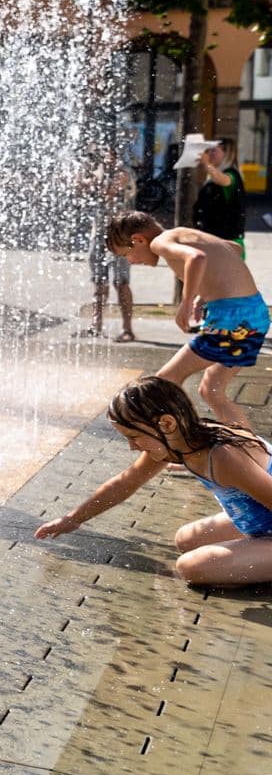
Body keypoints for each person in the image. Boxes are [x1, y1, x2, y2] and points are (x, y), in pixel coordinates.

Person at [37, 376, 272, 586]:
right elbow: (126, 482)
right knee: (186, 540)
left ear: (167, 424)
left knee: (191, 568)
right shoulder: (180, 441)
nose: (131, 447)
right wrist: (73, 519)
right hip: (259, 520)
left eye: (134, 437)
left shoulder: (223, 457)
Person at [107, 211, 265, 428]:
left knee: (166, 380)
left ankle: (191, 447)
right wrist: (204, 293)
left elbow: (196, 258)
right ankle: (249, 450)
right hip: (254, 316)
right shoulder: (181, 233)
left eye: (126, 254)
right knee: (211, 390)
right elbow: (233, 248)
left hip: (232, 320)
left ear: (139, 240)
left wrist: (187, 301)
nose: (132, 261)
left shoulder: (160, 243)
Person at [85, 149, 137, 342]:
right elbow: (79, 188)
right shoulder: (96, 170)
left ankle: (127, 329)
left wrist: (96, 176)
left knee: (121, 282)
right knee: (99, 282)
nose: (104, 158)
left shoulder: (124, 172)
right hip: (99, 234)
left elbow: (110, 191)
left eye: (108, 153)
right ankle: (96, 325)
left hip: (121, 236)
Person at [193, 138, 247, 253]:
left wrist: (206, 163)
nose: (209, 154)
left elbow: (223, 180)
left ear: (226, 153)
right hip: (213, 239)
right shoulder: (213, 176)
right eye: (209, 151)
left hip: (228, 243)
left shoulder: (232, 174)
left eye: (214, 151)